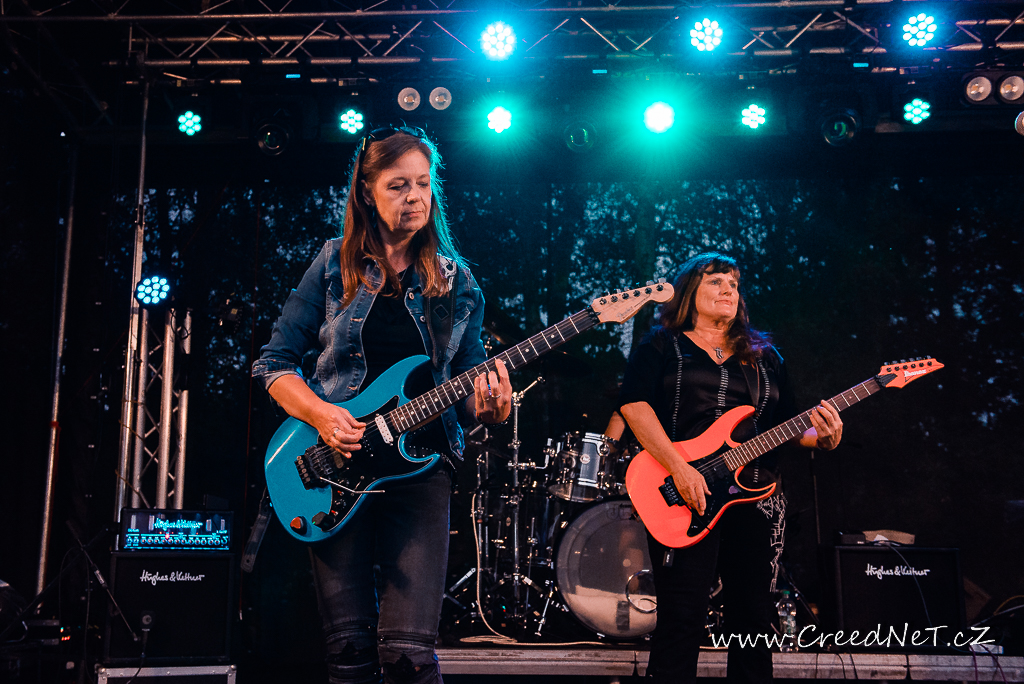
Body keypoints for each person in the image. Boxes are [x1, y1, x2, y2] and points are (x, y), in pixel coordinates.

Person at [252, 125, 511, 684]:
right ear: (367, 192)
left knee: (409, 660)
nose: (415, 196)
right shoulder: (332, 263)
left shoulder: (457, 281)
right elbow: (273, 364)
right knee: (348, 655)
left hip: (422, 471)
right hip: (333, 465)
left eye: (423, 183)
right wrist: (322, 414)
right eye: (398, 185)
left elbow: (469, 388)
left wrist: (490, 408)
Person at [618, 252, 842, 684]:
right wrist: (679, 468)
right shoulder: (662, 344)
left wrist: (825, 436)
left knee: (754, 621)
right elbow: (633, 405)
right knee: (681, 617)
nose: (728, 290)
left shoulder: (765, 357)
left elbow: (791, 425)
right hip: (685, 491)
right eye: (716, 281)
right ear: (690, 291)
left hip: (756, 496)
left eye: (734, 284)